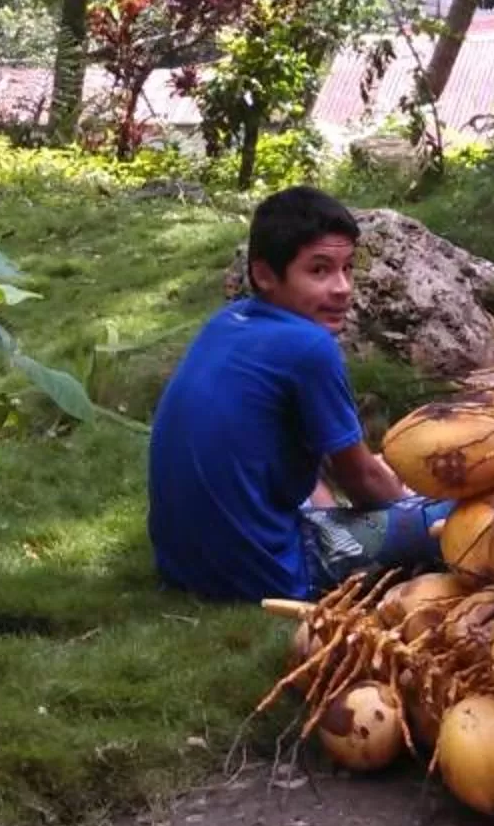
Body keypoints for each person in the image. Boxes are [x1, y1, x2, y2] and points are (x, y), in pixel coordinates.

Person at [147, 187, 449, 603]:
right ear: (266, 274)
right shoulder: (309, 347)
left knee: (347, 465)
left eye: (348, 268)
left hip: (184, 566)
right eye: (320, 271)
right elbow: (357, 478)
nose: (342, 288)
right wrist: (408, 508)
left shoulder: (226, 322)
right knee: (452, 517)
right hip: (269, 575)